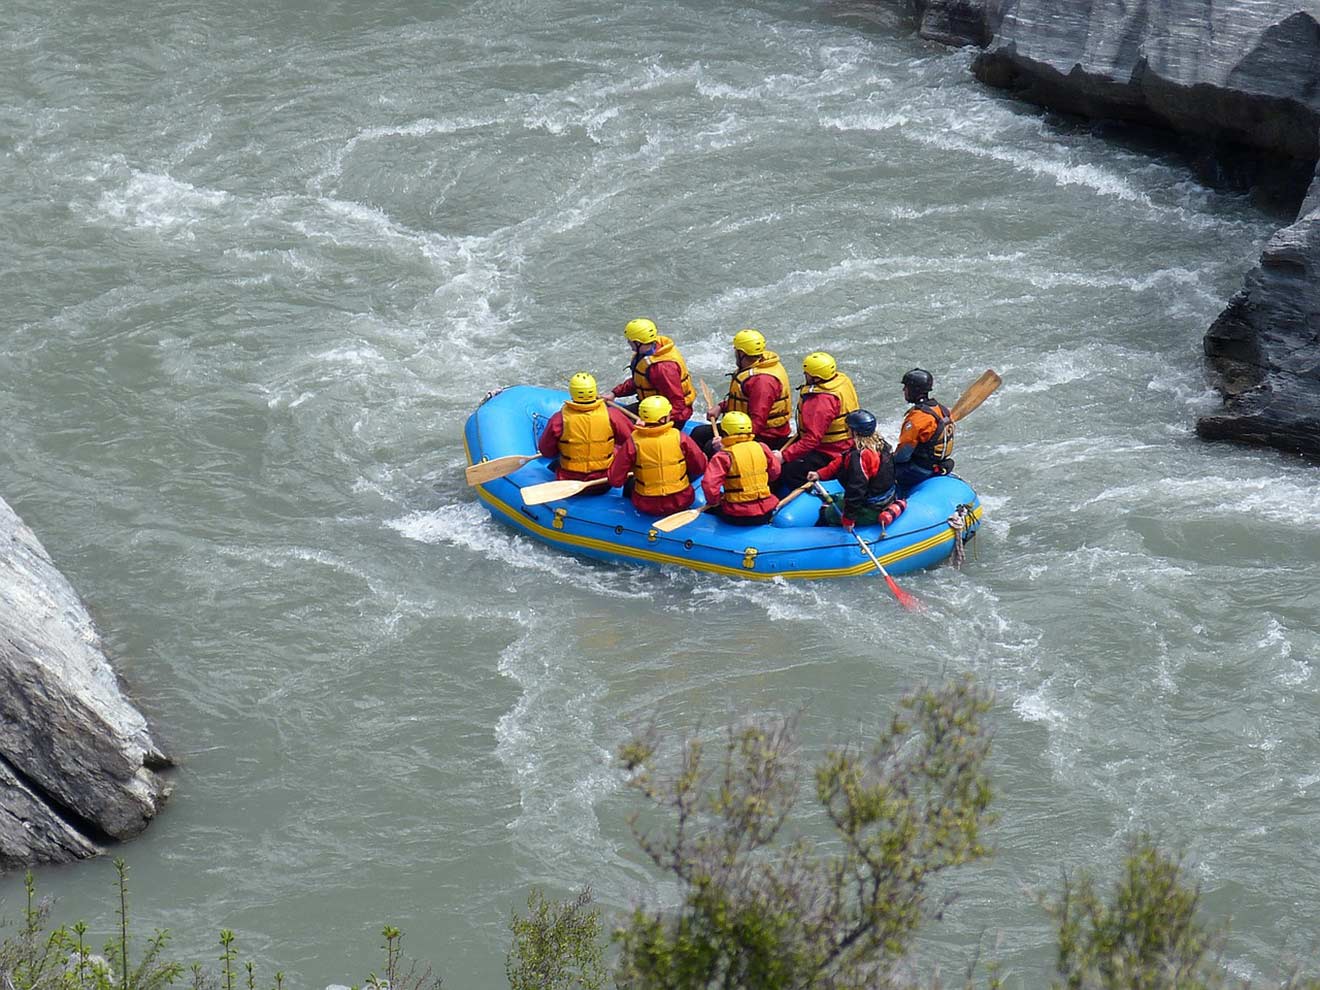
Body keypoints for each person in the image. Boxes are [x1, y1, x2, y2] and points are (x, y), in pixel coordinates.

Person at [690, 329, 792, 454]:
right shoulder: (755, 366)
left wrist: (729, 442)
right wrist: (721, 407)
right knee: (699, 433)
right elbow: (746, 402)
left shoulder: (762, 382)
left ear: (741, 353)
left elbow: (757, 423)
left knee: (710, 447)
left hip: (765, 436)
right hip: (743, 426)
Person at [775, 351, 860, 494]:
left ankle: (809, 499)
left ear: (815, 377)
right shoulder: (841, 381)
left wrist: (784, 457)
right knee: (778, 445)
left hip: (830, 451)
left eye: (806, 373)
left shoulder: (821, 401)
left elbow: (811, 440)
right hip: (844, 443)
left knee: (790, 471)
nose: (805, 375)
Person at [607, 395, 707, 516]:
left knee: (629, 484)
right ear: (663, 419)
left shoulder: (633, 442)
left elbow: (615, 480)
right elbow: (700, 467)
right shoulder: (681, 438)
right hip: (681, 501)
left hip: (646, 504)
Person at [807, 410, 905, 529]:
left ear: (854, 431)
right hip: (887, 498)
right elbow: (841, 461)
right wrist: (819, 474)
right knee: (838, 497)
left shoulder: (860, 457)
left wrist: (848, 519)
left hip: (871, 509)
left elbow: (857, 488)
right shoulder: (881, 444)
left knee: (825, 514)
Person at [536, 372, 635, 482]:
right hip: (604, 482)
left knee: (559, 458)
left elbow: (546, 451)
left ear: (572, 393)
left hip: (569, 479)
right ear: (594, 391)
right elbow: (633, 442)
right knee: (617, 448)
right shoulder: (613, 415)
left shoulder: (559, 419)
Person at [603, 318, 696, 426]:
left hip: (669, 416)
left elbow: (678, 404)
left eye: (630, 341)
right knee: (611, 417)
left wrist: (652, 421)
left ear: (638, 343)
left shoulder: (663, 369)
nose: (628, 343)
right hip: (651, 407)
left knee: (619, 425)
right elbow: (640, 381)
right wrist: (614, 393)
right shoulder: (649, 352)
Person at [700, 411, 781, 526]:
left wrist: (716, 501)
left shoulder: (723, 456)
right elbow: (775, 472)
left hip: (737, 515)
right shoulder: (762, 447)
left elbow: (709, 486)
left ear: (725, 432)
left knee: (711, 510)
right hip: (765, 512)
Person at [893, 368, 955, 492]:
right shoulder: (943, 410)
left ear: (914, 390)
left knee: (881, 472)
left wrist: (887, 459)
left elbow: (903, 456)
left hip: (919, 470)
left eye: (906, 387)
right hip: (938, 464)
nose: (903, 390)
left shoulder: (917, 418)